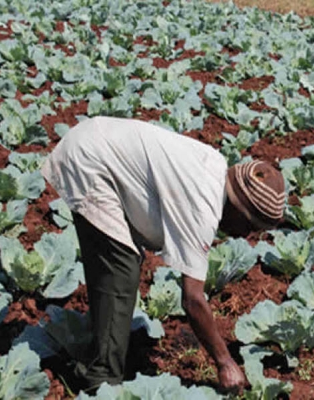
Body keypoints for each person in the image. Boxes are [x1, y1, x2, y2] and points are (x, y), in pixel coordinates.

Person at [41, 116, 286, 393]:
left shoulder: (216, 167)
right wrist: (225, 361)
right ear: (238, 209)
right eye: (250, 227)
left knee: (122, 260)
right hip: (91, 162)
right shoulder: (203, 209)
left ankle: (101, 343)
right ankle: (100, 380)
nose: (246, 237)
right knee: (121, 269)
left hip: (97, 144)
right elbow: (193, 301)